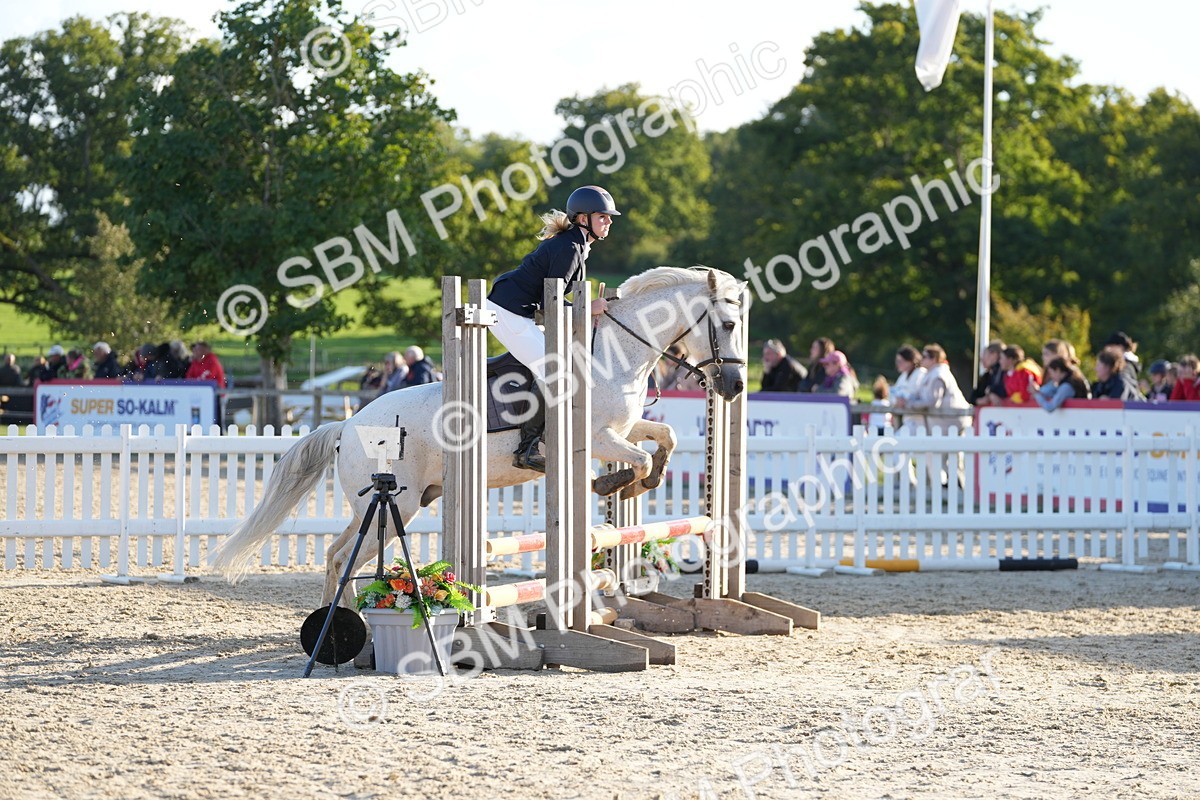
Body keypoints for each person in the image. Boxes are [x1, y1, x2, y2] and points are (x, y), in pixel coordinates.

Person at [486, 185, 618, 472]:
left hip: (518, 310)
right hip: (508, 311)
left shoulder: (577, 245)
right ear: (583, 219)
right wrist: (586, 309)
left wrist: (585, 310)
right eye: (603, 216)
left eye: (609, 217)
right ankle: (527, 448)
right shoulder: (570, 248)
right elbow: (553, 301)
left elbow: (554, 301)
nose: (609, 221)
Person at [900, 344, 972, 486]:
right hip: (944, 422)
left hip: (951, 422)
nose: (922, 359)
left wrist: (909, 404)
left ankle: (954, 485)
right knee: (944, 456)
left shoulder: (939, 375)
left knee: (949, 457)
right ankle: (945, 485)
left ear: (934, 359)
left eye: (925, 356)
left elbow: (933, 401)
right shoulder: (931, 374)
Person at [971, 340, 1006, 405]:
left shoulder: (1005, 374)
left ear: (994, 355)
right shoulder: (987, 376)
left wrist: (991, 393)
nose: (981, 359)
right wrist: (979, 401)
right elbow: (973, 397)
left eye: (984, 354)